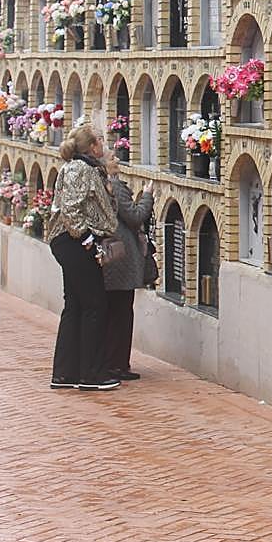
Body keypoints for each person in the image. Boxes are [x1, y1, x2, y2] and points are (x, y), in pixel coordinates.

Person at [47, 124, 119, 391]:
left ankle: (67, 373)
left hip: (72, 241)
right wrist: (87, 239)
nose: (104, 145)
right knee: (95, 305)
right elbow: (71, 208)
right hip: (74, 241)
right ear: (91, 147)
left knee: (76, 305)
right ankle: (92, 373)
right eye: (100, 140)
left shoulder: (86, 169)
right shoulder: (80, 169)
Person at [101, 149, 154, 382]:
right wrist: (147, 195)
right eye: (112, 157)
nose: (117, 160)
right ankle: (118, 364)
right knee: (122, 313)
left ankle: (112, 361)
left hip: (111, 258)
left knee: (114, 312)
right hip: (121, 259)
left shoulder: (102, 183)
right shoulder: (115, 185)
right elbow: (134, 216)